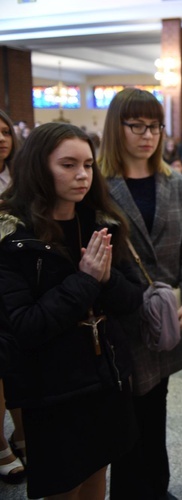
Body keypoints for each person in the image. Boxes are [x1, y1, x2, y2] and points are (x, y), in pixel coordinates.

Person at [0, 122, 142, 499]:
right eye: (68, 165)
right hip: (52, 390)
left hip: (104, 376)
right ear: (38, 167)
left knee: (98, 475)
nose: (82, 175)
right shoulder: (13, 236)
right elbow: (26, 325)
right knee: (64, 486)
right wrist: (86, 280)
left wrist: (105, 279)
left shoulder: (100, 221)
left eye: (88, 165)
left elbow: (132, 302)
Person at [99, 88, 182, 500]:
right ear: (116, 127)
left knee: (156, 408)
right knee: (126, 420)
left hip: (165, 315)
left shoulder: (172, 180)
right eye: (136, 125)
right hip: (121, 316)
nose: (148, 135)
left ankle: (157, 490)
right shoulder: (99, 183)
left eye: (155, 126)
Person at [0, 108, 25, 485]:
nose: (2, 139)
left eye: (5, 132)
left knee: (20, 358)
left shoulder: (17, 176)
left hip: (15, 275)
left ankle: (22, 432)